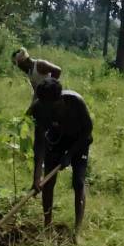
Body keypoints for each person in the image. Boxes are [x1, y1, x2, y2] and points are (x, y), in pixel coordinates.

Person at [30, 77, 93, 237]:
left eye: (50, 105)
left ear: (59, 99)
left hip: (79, 141)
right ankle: (47, 226)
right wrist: (36, 176)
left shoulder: (76, 102)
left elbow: (87, 131)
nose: (47, 109)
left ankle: (77, 232)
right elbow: (39, 142)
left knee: (78, 182)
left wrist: (70, 154)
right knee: (48, 183)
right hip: (56, 141)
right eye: (43, 104)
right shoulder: (39, 107)